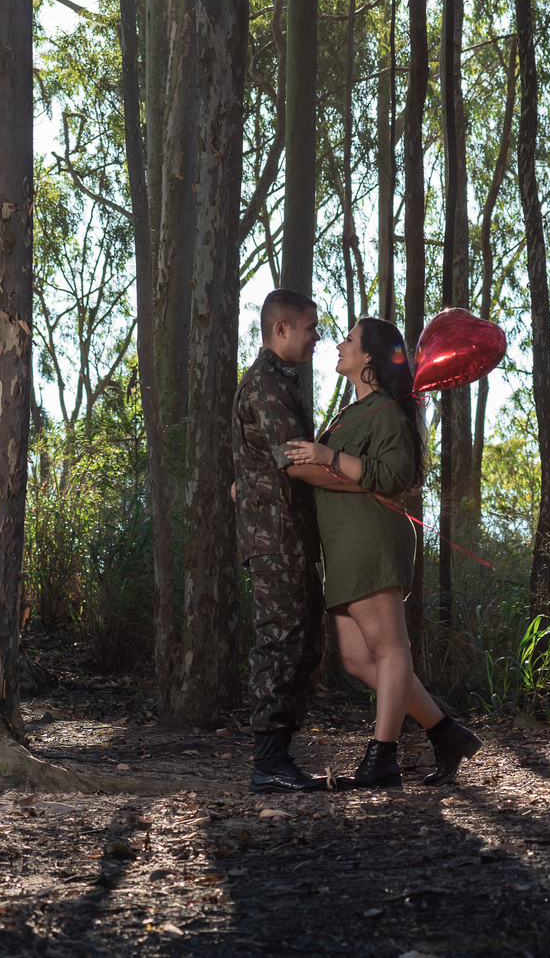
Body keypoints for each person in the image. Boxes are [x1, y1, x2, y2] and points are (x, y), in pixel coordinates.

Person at [284, 317, 481, 789]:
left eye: (349, 339)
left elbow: (394, 477)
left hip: (371, 538)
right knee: (357, 659)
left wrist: (331, 459)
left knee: (390, 649)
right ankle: (446, 733)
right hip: (342, 545)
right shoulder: (347, 415)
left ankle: (383, 757)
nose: (339, 344)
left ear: (369, 355)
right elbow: (305, 468)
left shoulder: (389, 410)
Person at [231, 288, 328, 792]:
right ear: (281, 328)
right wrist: (363, 480)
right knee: (280, 640)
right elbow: (296, 461)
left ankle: (279, 755)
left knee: (307, 641)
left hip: (292, 536)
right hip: (274, 538)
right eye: (310, 328)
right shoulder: (265, 385)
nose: (317, 338)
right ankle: (268, 761)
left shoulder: (281, 382)